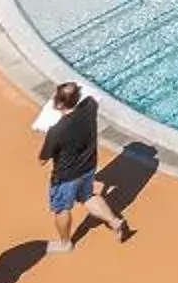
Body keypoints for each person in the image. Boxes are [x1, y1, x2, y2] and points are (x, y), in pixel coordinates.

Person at [36, 82, 132, 249]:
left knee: (61, 209)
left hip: (65, 176)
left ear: (59, 104)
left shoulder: (56, 131)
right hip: (88, 166)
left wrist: (44, 135)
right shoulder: (90, 106)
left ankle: (65, 243)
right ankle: (115, 222)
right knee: (87, 196)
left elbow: (42, 160)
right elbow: (90, 95)